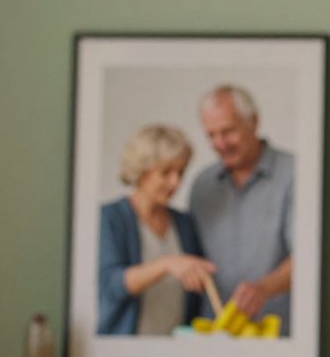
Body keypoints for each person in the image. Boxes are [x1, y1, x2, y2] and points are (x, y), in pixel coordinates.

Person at [188, 85, 294, 334]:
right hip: (215, 336)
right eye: (211, 135)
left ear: (254, 122)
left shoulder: (294, 173)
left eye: (228, 132)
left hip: (279, 335)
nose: (220, 143)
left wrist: (264, 288)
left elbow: (310, 255)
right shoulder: (201, 184)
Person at [98, 124, 215, 335]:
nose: (176, 182)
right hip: (126, 351)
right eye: (166, 172)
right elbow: (110, 285)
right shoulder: (110, 218)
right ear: (142, 171)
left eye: (180, 172)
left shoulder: (184, 223)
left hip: (174, 353)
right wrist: (168, 264)